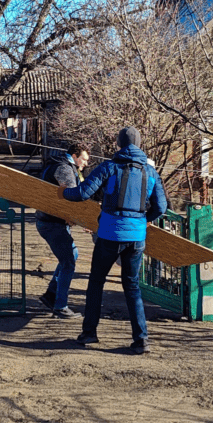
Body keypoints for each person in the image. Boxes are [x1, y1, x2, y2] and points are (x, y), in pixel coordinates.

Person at [60, 127, 167, 354]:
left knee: (96, 282)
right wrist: (143, 220)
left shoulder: (109, 167)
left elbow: (82, 193)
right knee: (132, 286)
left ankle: (89, 333)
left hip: (109, 234)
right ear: (139, 145)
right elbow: (162, 207)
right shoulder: (150, 172)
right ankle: (141, 340)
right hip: (136, 237)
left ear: (118, 144)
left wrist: (63, 194)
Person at [36, 143, 90, 318]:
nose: (85, 164)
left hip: (50, 220)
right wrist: (83, 220)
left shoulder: (60, 165)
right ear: (74, 156)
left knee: (71, 256)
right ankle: (60, 306)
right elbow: (70, 196)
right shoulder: (64, 169)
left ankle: (51, 294)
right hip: (52, 222)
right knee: (68, 262)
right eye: (84, 159)